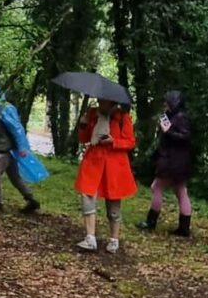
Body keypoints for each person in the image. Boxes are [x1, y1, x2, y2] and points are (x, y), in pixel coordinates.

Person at [74, 99, 137, 253]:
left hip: (114, 165)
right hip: (93, 161)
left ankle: (114, 240)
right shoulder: (92, 114)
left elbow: (130, 142)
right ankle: (90, 238)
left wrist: (113, 141)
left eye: (104, 101)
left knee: (113, 202)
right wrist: (83, 125)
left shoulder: (122, 117)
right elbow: (84, 139)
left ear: (112, 102)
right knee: (87, 195)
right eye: (100, 100)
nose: (100, 102)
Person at [137, 91, 193, 237]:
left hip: (172, 161)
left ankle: (151, 222)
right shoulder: (174, 116)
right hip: (178, 161)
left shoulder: (180, 118)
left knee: (157, 187)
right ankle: (184, 228)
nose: (165, 104)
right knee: (181, 191)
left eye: (167, 102)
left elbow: (185, 137)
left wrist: (168, 132)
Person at [0, 86, 41, 214]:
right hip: (5, 149)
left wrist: (22, 147)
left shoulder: (5, 109)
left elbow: (16, 128)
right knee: (15, 177)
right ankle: (31, 200)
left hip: (5, 150)